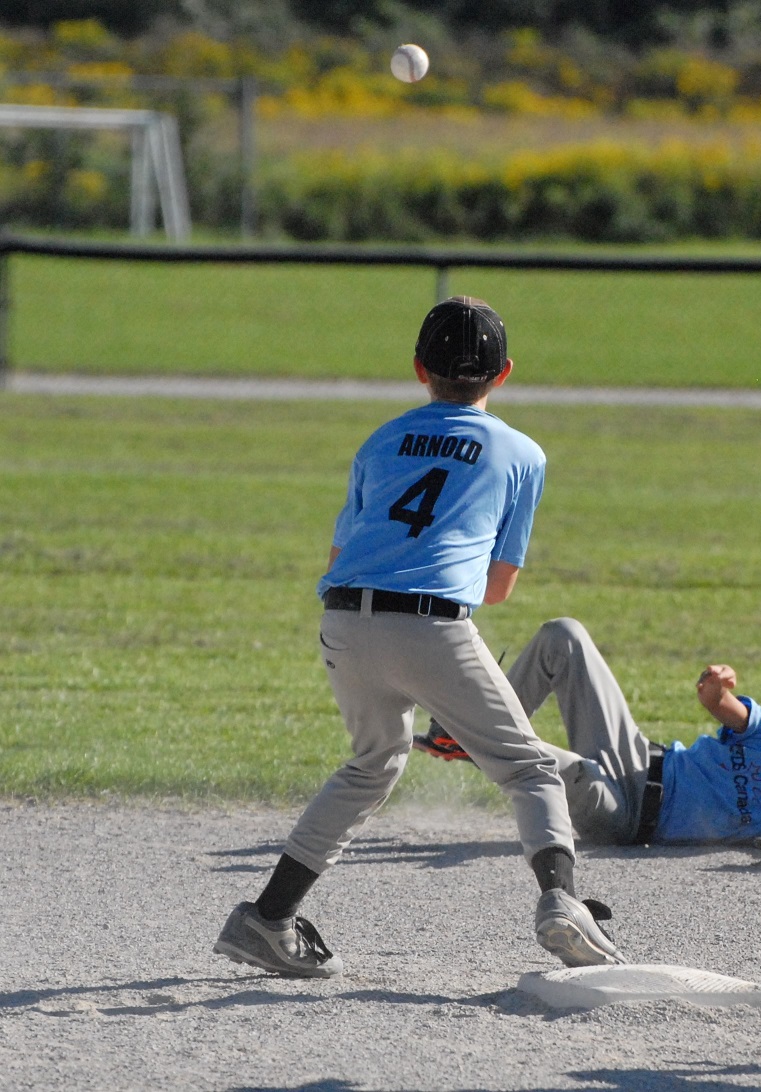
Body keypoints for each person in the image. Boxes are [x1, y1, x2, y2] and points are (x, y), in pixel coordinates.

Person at [215, 296, 623, 979]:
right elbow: (497, 589)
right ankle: (561, 902)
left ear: (418, 369)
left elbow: (340, 557)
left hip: (343, 619)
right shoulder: (522, 452)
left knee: (373, 763)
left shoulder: (380, 440)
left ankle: (269, 917)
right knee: (528, 767)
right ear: (505, 373)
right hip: (430, 623)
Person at [410, 616, 761, 857]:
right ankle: (464, 733)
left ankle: (474, 736)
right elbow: (721, 705)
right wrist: (716, 686)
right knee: (564, 635)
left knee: (571, 771)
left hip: (626, 817)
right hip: (635, 756)